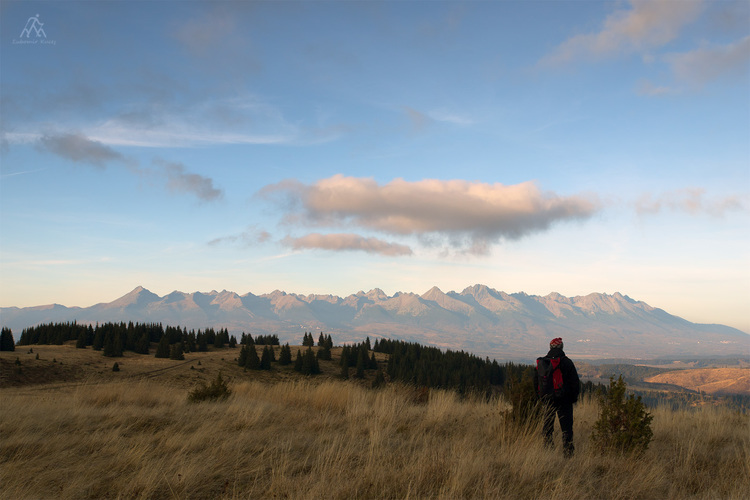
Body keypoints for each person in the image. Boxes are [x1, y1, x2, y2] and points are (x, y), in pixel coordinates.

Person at [534, 337, 580, 457]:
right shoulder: (566, 362)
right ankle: (568, 453)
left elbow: (536, 382)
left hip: (547, 399)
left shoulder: (543, 362)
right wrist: (573, 399)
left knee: (548, 426)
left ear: (550, 347)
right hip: (564, 400)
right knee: (566, 428)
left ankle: (548, 450)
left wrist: (540, 397)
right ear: (562, 347)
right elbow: (575, 383)